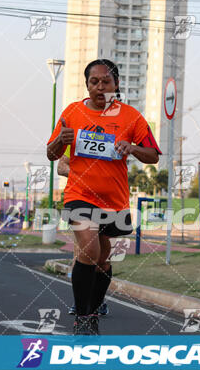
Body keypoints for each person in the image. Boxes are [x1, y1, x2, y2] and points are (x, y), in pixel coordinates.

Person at [47, 59, 161, 334]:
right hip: (79, 193)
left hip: (114, 199)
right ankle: (82, 317)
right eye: (94, 82)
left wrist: (132, 147)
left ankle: (94, 311)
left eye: (105, 81)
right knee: (88, 248)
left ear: (116, 84)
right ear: (87, 85)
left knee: (103, 258)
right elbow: (51, 154)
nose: (99, 87)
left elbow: (154, 156)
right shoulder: (71, 112)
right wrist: (61, 141)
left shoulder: (131, 117)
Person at [59, 149, 109, 317]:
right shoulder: (79, 137)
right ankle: (80, 304)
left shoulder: (114, 136)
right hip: (80, 199)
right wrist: (82, 175)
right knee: (83, 251)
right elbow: (61, 167)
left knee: (102, 255)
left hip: (107, 201)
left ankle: (96, 302)